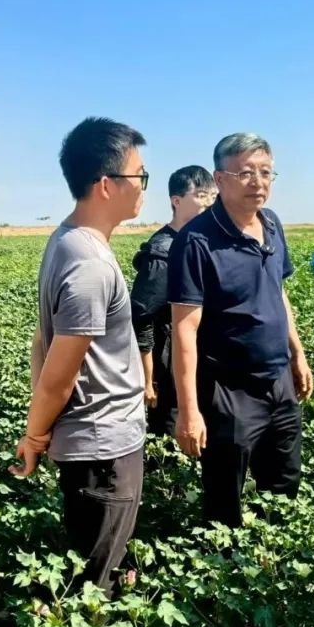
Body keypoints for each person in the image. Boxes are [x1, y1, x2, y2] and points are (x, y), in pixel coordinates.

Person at [9, 117, 147, 595]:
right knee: (95, 587)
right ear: (107, 185)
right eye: (139, 175)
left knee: (96, 566)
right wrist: (35, 436)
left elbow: (40, 342)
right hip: (103, 448)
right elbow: (59, 374)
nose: (143, 186)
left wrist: (41, 429)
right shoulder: (89, 263)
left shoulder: (67, 240)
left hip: (94, 444)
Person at [168, 133, 314, 527]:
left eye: (266, 172)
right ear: (219, 179)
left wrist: (297, 354)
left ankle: (271, 557)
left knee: (283, 486)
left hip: (279, 381)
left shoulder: (272, 224)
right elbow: (184, 330)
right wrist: (189, 411)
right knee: (224, 496)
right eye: (246, 173)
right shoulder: (196, 241)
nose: (258, 182)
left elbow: (278, 292)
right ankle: (223, 561)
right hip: (228, 390)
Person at [130, 166, 216, 438]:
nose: (208, 202)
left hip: (200, 360)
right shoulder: (163, 252)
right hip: (169, 368)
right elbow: (141, 317)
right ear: (176, 201)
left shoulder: (202, 242)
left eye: (212, 196)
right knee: (172, 436)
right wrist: (148, 380)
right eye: (200, 195)